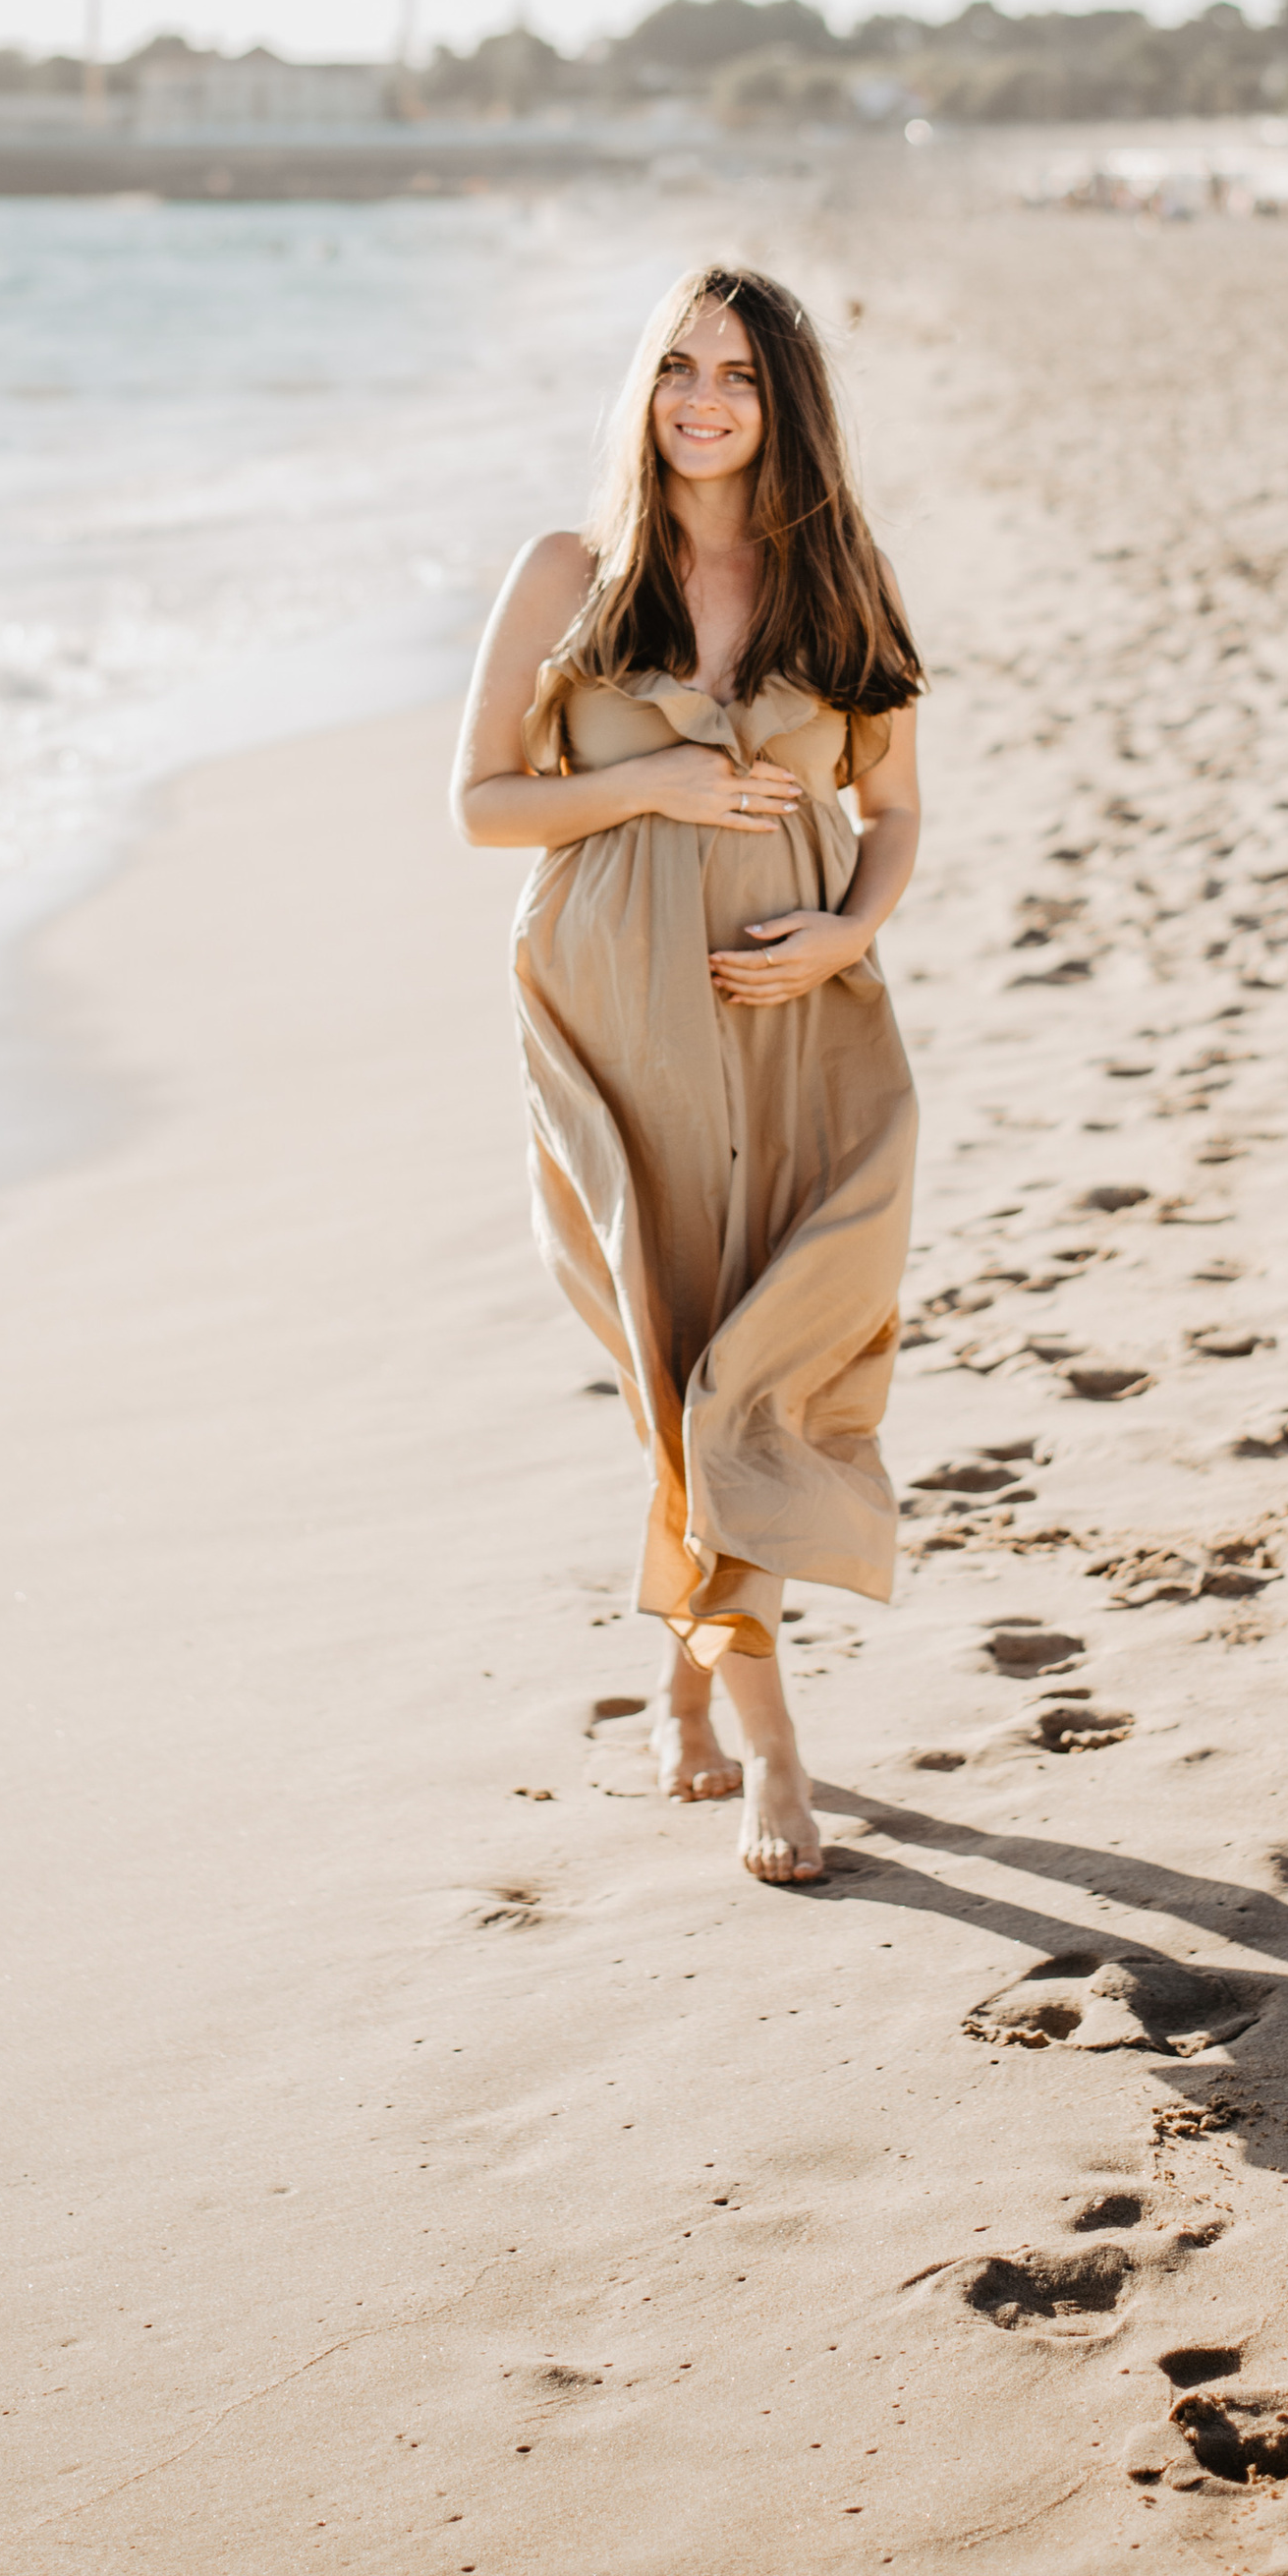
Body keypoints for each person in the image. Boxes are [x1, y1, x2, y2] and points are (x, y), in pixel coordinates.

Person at [452, 264, 924, 1884]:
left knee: (752, 1378)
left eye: (735, 371)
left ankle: (685, 1677)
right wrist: (648, 774)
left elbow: (900, 807)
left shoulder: (839, 581)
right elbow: (484, 804)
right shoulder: (570, 573)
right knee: (687, 1381)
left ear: (784, 401)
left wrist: (843, 934)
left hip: (803, 1027)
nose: (702, 397)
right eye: (676, 366)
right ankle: (774, 1748)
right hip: (616, 1030)